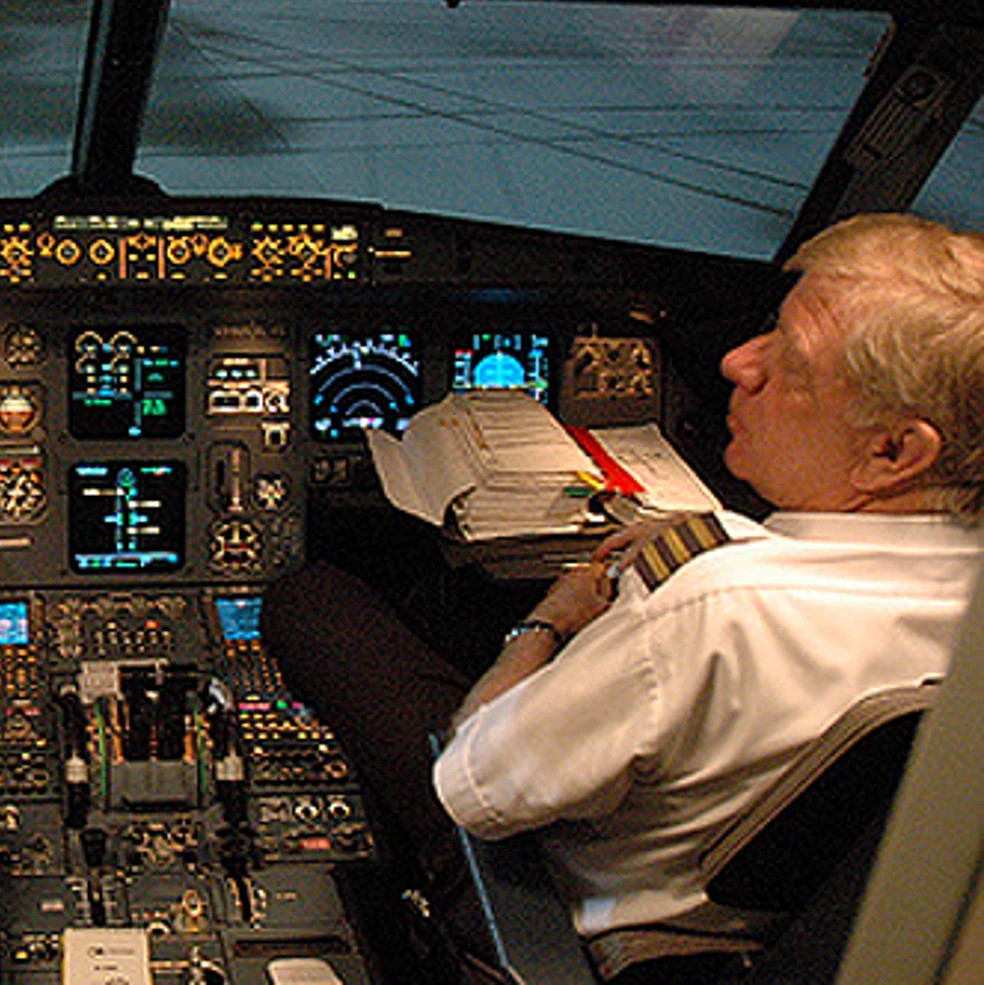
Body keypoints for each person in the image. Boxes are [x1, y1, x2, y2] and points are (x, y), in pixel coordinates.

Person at [262, 213, 984, 981]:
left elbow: (473, 785)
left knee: (312, 600)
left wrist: (550, 620)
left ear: (894, 450)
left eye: (793, 362)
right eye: (767, 328)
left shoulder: (709, 605)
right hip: (769, 924)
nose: (740, 360)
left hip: (559, 907)